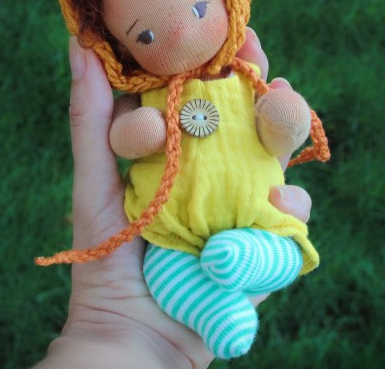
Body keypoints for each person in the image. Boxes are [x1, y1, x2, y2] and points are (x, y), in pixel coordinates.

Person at [34, 29, 314, 368]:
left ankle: (248, 257)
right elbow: (123, 138)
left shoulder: (243, 79)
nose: (179, 32)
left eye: (200, 9)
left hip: (258, 219)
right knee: (164, 274)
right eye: (145, 33)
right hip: (171, 236)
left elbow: (278, 134)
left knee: (282, 246)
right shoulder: (143, 96)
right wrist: (142, 130)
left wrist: (285, 121)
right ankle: (218, 311)